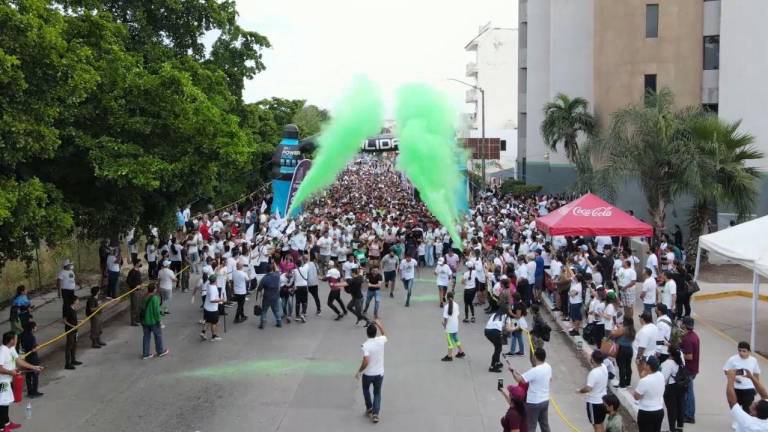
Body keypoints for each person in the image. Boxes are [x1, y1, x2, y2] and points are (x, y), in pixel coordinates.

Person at [0, 331, 44, 431]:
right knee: (2, 404)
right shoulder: (2, 351)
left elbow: (19, 361)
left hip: (8, 380)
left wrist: (34, 367)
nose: (17, 340)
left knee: (5, 403)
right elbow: (0, 368)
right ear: (11, 340)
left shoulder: (11, 349)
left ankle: (6, 423)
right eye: (16, 338)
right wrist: (10, 372)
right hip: (2, 382)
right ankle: (2, 428)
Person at [510, 347, 552, 432]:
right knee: (545, 425)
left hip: (534, 403)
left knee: (530, 426)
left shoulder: (534, 370)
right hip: (545, 400)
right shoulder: (548, 367)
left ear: (536, 357)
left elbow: (519, 380)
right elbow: (550, 379)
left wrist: (512, 371)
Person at [355, 320, 388, 424]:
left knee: (365, 389)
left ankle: (369, 407)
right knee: (377, 393)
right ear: (375, 332)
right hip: (379, 373)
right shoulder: (381, 340)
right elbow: (385, 334)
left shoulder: (366, 345)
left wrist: (359, 371)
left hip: (368, 374)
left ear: (367, 333)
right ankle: (375, 414)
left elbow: (366, 361)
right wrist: (379, 324)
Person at [723, 341, 762, 413]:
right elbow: (726, 370)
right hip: (736, 389)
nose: (741, 353)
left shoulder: (753, 360)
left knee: (747, 410)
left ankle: (744, 424)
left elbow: (756, 374)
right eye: (739, 350)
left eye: (744, 351)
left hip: (749, 389)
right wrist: (734, 378)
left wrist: (757, 387)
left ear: (749, 351)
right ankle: (736, 422)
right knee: (735, 408)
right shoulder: (732, 359)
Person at [632, 356, 665, 432]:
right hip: (659, 410)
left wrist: (643, 376)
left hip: (646, 413)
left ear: (648, 366)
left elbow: (636, 397)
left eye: (645, 364)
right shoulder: (661, 375)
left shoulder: (644, 381)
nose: (643, 365)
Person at [578, 350, 609, 432]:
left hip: (594, 402)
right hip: (603, 400)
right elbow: (595, 363)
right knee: (601, 423)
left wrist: (580, 391)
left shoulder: (593, 373)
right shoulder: (604, 367)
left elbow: (588, 388)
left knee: (596, 426)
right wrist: (587, 356)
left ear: (592, 360)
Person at [679, 317, 699, 424]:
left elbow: (689, 356)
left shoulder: (688, 339)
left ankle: (689, 415)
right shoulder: (693, 335)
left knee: (688, 393)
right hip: (693, 368)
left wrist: (679, 353)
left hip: (688, 369)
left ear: (685, 325)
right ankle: (688, 413)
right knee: (687, 392)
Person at [141, 283, 169, 359]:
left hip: (144, 320)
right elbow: (156, 311)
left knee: (146, 336)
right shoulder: (155, 298)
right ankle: (160, 351)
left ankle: (145, 354)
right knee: (158, 335)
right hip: (153, 321)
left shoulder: (144, 297)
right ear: (154, 289)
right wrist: (159, 321)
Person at [661, 348, 685, 432]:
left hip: (670, 387)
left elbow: (663, 378)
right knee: (679, 406)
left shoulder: (668, 363)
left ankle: (672, 429)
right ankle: (680, 426)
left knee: (671, 409)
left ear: (670, 354)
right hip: (680, 387)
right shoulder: (680, 362)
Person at [19, 321, 43, 398]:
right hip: (33, 358)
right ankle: (34, 391)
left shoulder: (22, 335)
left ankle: (30, 391)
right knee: (35, 373)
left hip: (26, 358)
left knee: (28, 375)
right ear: (32, 328)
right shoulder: (31, 337)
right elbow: (33, 349)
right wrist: (37, 347)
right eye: (35, 327)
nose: (36, 328)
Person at [485, 308, 512, 372]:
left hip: (487, 331)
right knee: (498, 349)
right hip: (495, 332)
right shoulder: (506, 317)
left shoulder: (494, 314)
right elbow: (508, 329)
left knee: (498, 347)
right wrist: (517, 327)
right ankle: (492, 366)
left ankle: (498, 362)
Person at [441, 291, 465, 361]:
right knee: (455, 338)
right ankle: (461, 352)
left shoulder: (446, 307)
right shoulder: (456, 305)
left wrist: (444, 325)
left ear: (447, 298)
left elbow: (446, 318)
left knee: (449, 341)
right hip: (455, 324)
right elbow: (457, 314)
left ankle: (449, 356)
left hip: (449, 326)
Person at [257, 263, 282, 329]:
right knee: (276, 310)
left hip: (267, 297)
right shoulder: (277, 275)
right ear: (272, 269)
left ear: (266, 270)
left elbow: (259, 289)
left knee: (264, 310)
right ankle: (279, 322)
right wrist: (274, 264)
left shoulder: (264, 278)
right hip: (276, 296)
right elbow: (277, 270)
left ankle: (262, 323)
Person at [613, 317, 636, 388]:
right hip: (629, 349)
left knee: (621, 366)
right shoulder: (633, 330)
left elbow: (614, 334)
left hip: (621, 349)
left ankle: (622, 383)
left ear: (625, 322)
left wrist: (617, 328)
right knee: (628, 366)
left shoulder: (623, 329)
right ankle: (628, 382)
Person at [201, 274, 224, 340]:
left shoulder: (209, 285)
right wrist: (221, 300)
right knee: (214, 323)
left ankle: (203, 332)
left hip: (206, 307)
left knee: (207, 321)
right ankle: (214, 336)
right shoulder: (213, 289)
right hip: (212, 309)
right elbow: (212, 300)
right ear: (215, 281)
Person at [63, 297, 81, 370]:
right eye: (77, 300)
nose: (78, 301)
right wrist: (73, 326)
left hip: (75, 331)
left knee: (74, 345)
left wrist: (79, 321)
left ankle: (73, 360)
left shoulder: (74, 309)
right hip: (70, 331)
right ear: (74, 301)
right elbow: (65, 321)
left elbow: (73, 319)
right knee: (69, 347)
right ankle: (67, 364)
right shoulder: (69, 310)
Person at [126, 260, 143, 326]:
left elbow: (139, 280)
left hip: (139, 290)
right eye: (139, 263)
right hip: (134, 291)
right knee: (134, 306)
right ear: (136, 264)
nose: (140, 264)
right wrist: (135, 286)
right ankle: (133, 321)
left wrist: (140, 284)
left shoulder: (138, 270)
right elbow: (128, 281)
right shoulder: (132, 272)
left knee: (139, 305)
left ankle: (138, 319)